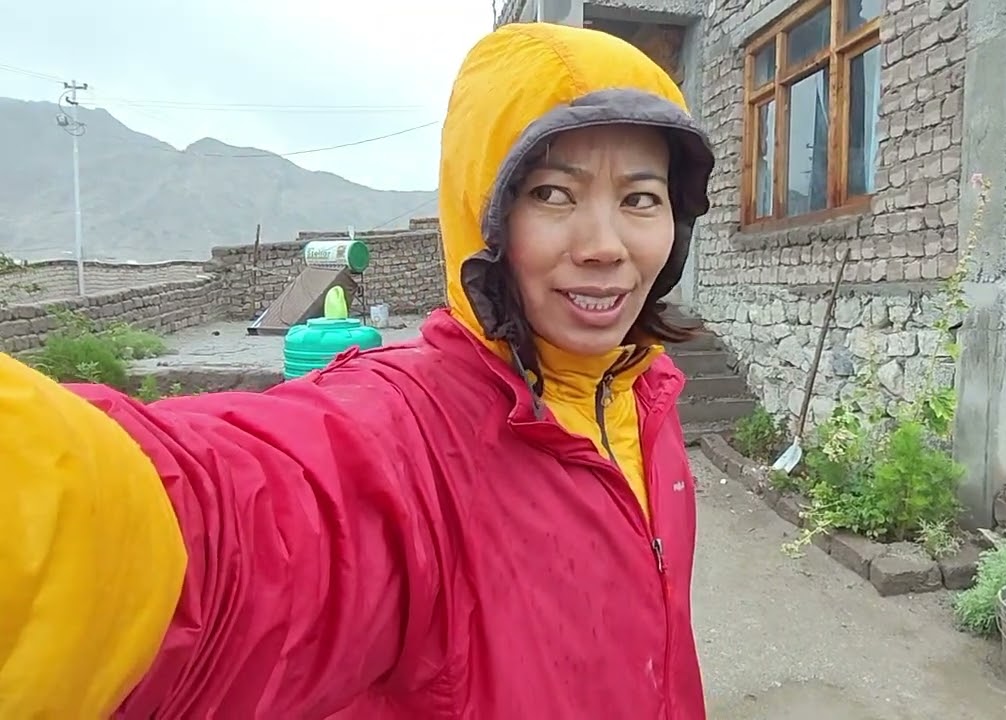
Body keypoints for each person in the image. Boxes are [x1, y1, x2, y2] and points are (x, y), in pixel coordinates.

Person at [0, 21, 715, 719]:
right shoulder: (409, 438)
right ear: (484, 214)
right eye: (552, 194)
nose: (603, 245)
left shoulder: (643, 396)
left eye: (639, 199)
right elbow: (222, 528)